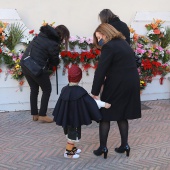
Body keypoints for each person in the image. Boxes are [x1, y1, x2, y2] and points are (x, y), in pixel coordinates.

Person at [91, 23, 141, 158]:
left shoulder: (109, 46)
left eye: (99, 36)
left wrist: (94, 92)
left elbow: (101, 71)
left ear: (105, 33)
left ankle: (103, 148)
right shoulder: (123, 43)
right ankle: (125, 145)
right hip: (131, 83)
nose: (99, 39)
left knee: (105, 115)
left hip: (117, 84)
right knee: (122, 114)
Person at [52, 64, 111, 159]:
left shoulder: (65, 89)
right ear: (79, 78)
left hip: (67, 119)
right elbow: (91, 103)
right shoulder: (79, 91)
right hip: (74, 119)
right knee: (72, 137)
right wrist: (103, 104)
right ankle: (68, 153)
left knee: (71, 134)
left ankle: (73, 149)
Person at [21, 24, 70, 123]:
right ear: (62, 35)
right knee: (47, 89)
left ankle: (35, 114)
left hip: (25, 63)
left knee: (34, 89)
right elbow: (54, 59)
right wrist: (54, 64)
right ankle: (42, 115)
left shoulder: (42, 35)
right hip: (36, 67)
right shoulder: (53, 43)